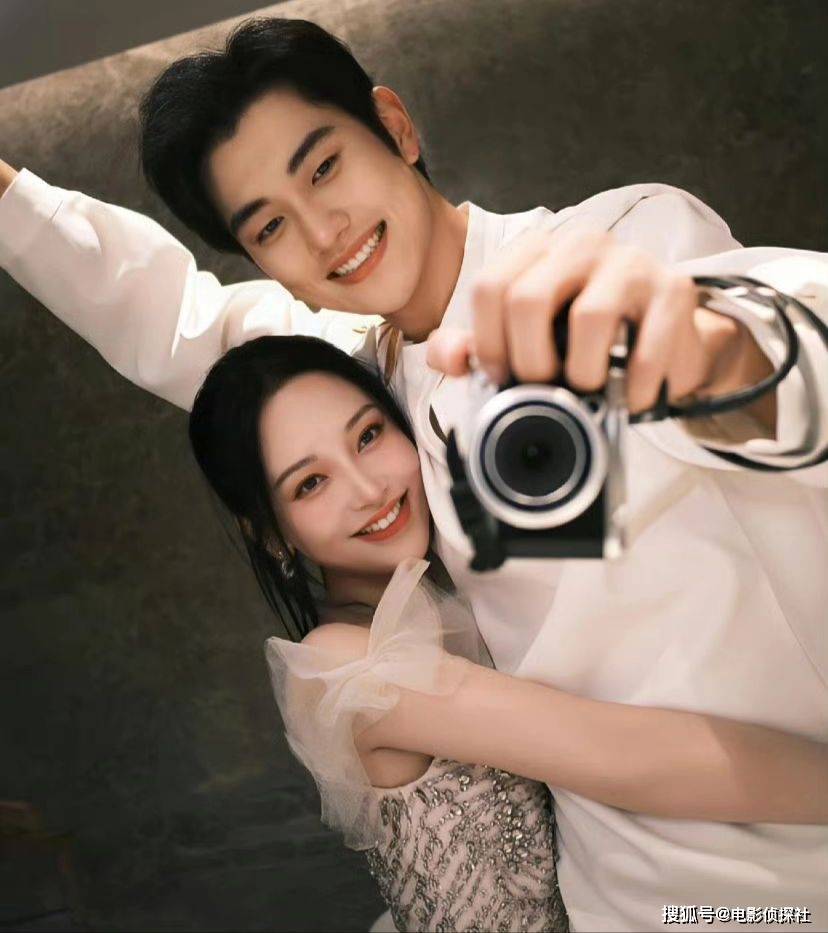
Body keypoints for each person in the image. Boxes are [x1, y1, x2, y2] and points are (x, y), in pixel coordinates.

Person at [1, 16, 826, 931]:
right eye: (271, 225)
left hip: (795, 862)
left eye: (324, 167)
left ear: (394, 127)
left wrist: (718, 353)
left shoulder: (617, 244)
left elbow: (778, 332)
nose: (324, 231)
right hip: (620, 893)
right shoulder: (363, 380)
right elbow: (170, 317)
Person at [188, 332, 827, 933]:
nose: (368, 488)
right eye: (311, 483)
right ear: (271, 535)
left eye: (368, 435)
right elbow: (619, 755)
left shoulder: (443, 581)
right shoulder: (350, 666)